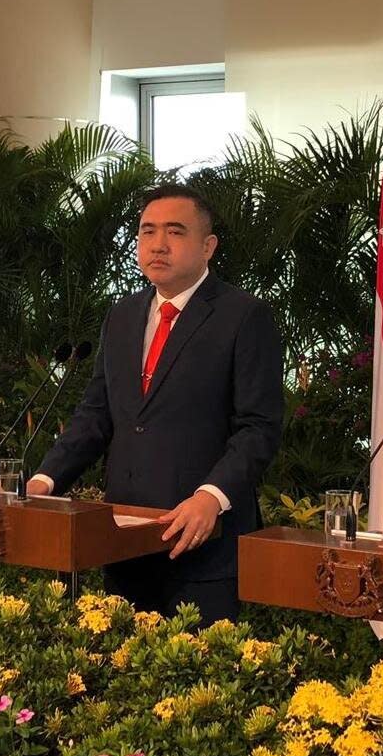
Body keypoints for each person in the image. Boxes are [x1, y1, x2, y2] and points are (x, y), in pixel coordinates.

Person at [27, 183, 283, 624]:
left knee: (198, 682)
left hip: (202, 541)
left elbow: (258, 426)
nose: (158, 245)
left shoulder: (243, 316)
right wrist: (45, 481)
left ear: (208, 246)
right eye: (147, 232)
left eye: (175, 232)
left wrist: (211, 497)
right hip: (124, 539)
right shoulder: (122, 315)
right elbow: (97, 413)